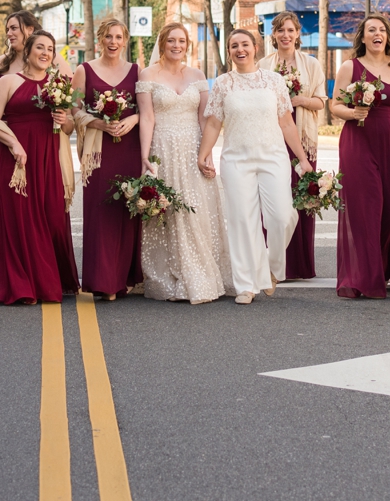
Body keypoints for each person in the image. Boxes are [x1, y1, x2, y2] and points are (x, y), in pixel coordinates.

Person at [199, 29, 311, 305]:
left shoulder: (274, 81)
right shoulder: (224, 83)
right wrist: (204, 155)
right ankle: (246, 284)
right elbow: (214, 122)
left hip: (273, 157)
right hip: (236, 160)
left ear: (255, 47)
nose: (240, 49)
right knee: (241, 222)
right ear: (229, 51)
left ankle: (271, 267)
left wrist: (303, 158)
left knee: (282, 217)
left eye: (245, 44)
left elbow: (286, 121)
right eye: (234, 45)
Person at [0, 29, 80, 305]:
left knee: (52, 219)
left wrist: (64, 120)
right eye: (40, 47)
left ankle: (49, 280)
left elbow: (71, 126)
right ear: (28, 51)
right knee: (20, 222)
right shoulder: (9, 81)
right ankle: (22, 285)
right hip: (17, 162)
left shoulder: (58, 84)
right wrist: (13, 144)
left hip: (49, 160)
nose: (45, 53)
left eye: (50, 49)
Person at [137, 23, 228, 304]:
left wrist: (207, 153)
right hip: (162, 148)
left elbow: (205, 119)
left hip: (192, 149)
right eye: (171, 41)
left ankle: (200, 273)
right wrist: (144, 158)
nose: (177, 46)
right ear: (162, 43)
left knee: (195, 210)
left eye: (182, 41)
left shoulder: (198, 75)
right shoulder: (148, 75)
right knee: (166, 212)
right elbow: (147, 118)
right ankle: (168, 274)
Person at [330, 14, 390, 299]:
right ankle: (364, 276)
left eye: (381, 29)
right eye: (371, 30)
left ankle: (381, 265)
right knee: (365, 210)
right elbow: (335, 105)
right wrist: (353, 113)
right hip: (359, 143)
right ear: (363, 37)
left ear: (387, 36)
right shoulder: (349, 66)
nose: (377, 33)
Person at [74, 19, 143, 301]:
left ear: (125, 41)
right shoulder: (84, 70)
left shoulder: (138, 71)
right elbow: (74, 110)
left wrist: (134, 119)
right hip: (99, 151)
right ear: (100, 40)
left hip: (129, 148)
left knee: (127, 211)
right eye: (108, 37)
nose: (113, 42)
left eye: (118, 37)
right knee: (101, 212)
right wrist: (99, 124)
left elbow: (147, 109)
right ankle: (103, 281)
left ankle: (124, 277)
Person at [257, 11, 326, 281]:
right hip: (271, 137)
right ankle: (272, 263)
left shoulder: (311, 64)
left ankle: (299, 266)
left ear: (298, 34)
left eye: (290, 30)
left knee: (302, 198)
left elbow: (322, 100)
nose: (286, 35)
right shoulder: (262, 65)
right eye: (280, 30)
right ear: (273, 35)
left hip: (303, 137)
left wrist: (298, 101)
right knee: (273, 201)